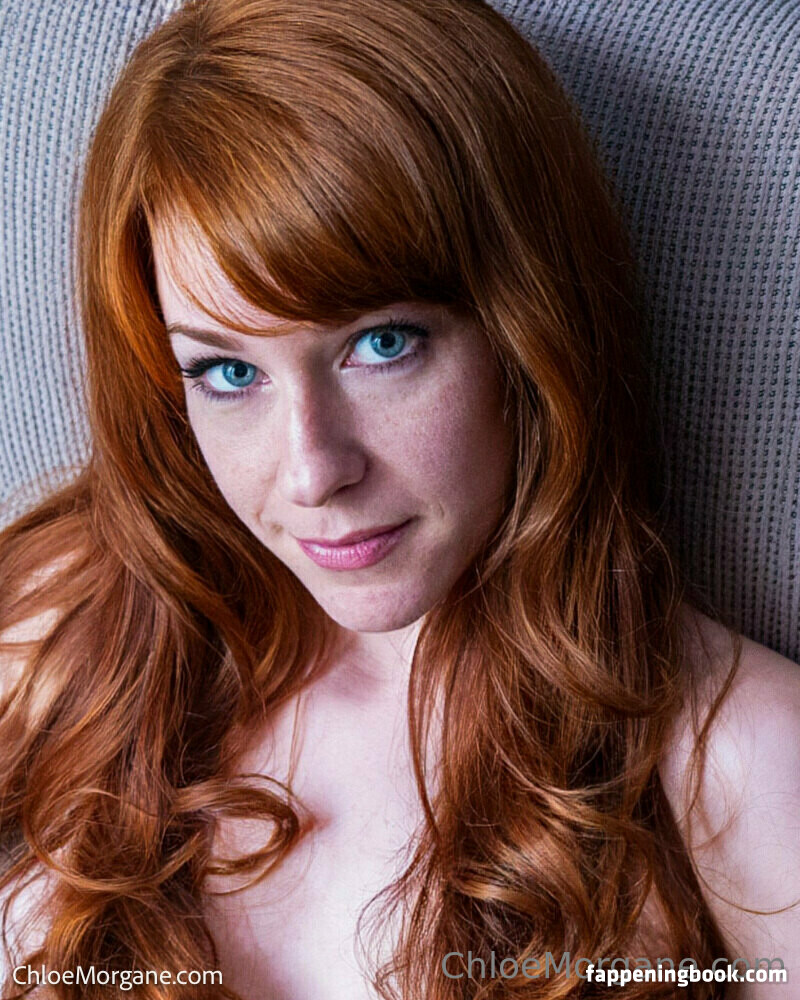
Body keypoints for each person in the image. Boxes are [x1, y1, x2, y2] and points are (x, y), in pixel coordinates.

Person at [0, 0, 798, 997]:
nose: (310, 472)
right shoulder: (65, 627)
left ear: (530, 330)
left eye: (382, 344)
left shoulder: (738, 757)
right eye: (227, 373)